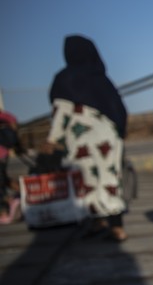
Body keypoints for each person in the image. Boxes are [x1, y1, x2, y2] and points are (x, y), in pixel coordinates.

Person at [42, 35, 129, 241]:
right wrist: (120, 133)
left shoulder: (65, 79)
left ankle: (96, 222)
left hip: (81, 140)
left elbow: (61, 112)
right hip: (109, 137)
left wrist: (52, 139)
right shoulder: (102, 79)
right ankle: (117, 227)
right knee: (109, 179)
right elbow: (120, 110)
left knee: (86, 180)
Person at [0, 108, 23, 224]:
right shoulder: (5, 115)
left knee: (1, 182)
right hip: (3, 153)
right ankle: (22, 196)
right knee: (3, 179)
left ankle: (4, 211)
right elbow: (14, 123)